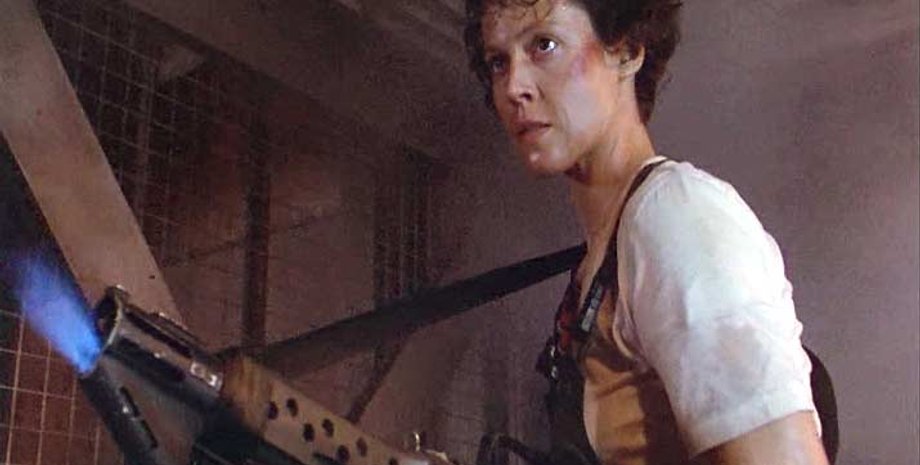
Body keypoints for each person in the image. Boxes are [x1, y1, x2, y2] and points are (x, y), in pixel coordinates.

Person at [462, 0, 830, 464]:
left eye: (544, 45)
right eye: (499, 62)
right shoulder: (605, 253)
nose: (515, 86)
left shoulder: (676, 216)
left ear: (627, 51)